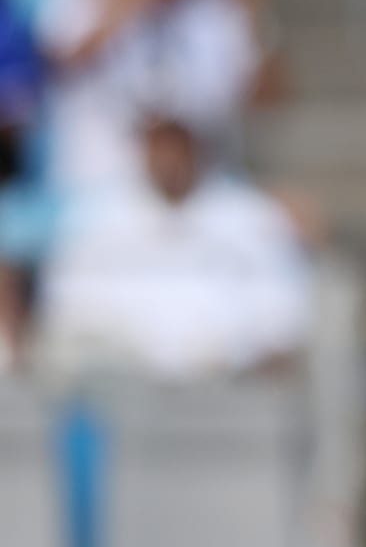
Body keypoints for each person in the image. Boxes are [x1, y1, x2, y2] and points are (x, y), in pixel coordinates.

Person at [37, 112, 310, 379]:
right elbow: (67, 301)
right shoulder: (98, 217)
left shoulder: (250, 214)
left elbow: (284, 307)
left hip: (229, 383)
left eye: (176, 148)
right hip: (125, 388)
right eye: (158, 148)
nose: (168, 160)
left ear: (197, 151)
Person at [36, 0, 261, 194]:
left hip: (197, 180)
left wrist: (257, 12)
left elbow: (260, 95)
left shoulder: (217, 6)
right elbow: (58, 62)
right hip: (97, 180)